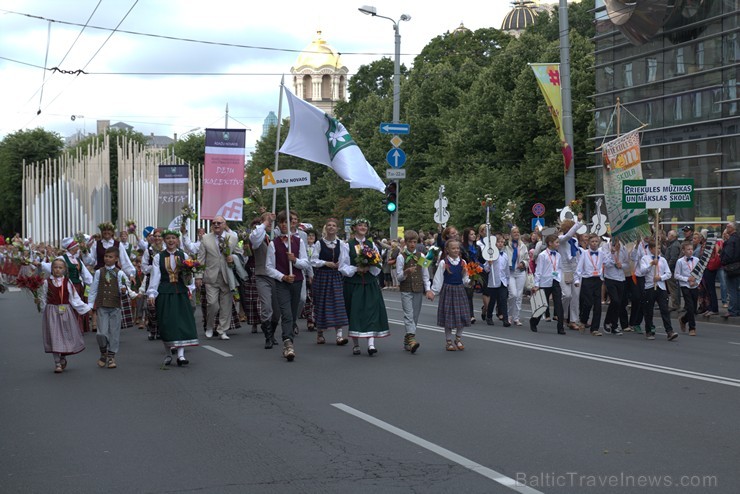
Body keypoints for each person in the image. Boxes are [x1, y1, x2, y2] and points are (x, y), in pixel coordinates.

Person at [147, 230, 199, 366]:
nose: (171, 241)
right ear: (164, 240)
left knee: (181, 321)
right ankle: (168, 353)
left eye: (173, 238)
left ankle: (181, 355)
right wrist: (152, 293)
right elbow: (156, 276)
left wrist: (190, 287)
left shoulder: (184, 255)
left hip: (180, 291)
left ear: (177, 240)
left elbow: (189, 276)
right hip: (165, 292)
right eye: (168, 238)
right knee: (166, 322)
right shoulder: (159, 257)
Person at [339, 218, 389, 356]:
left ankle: (371, 344)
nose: (362, 227)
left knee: (371, 311)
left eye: (365, 226)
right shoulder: (346, 245)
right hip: (354, 284)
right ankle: (355, 344)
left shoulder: (371, 244)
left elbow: (378, 263)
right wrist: (356, 269)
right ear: (354, 228)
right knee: (355, 312)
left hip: (369, 283)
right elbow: (342, 267)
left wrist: (370, 268)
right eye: (360, 225)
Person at [265, 211, 310, 361]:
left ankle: (289, 336)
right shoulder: (273, 243)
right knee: (286, 314)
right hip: (282, 284)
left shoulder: (299, 242)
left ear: (292, 224)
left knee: (293, 311)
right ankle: (288, 343)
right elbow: (269, 267)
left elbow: (305, 262)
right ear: (278, 224)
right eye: (282, 222)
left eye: (287, 222)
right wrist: (283, 276)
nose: (284, 225)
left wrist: (295, 260)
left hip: (297, 281)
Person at [40, 258, 91, 373]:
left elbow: (74, 298)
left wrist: (85, 308)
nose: (57, 270)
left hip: (65, 311)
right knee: (54, 336)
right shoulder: (46, 282)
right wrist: (42, 308)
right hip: (52, 312)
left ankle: (63, 356)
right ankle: (57, 362)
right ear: (51, 269)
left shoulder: (67, 282)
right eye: (55, 267)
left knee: (65, 335)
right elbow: (42, 297)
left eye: (60, 268)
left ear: (64, 270)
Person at [88, 248, 137, 368]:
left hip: (115, 306)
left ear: (116, 259)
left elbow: (124, 287)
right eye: (106, 256)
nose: (107, 259)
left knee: (114, 333)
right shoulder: (99, 272)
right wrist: (90, 305)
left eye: (110, 257)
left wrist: (125, 292)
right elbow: (93, 289)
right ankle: (103, 351)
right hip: (102, 306)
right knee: (101, 333)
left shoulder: (119, 273)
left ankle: (111, 356)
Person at [196, 215, 239, 340]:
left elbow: (240, 254)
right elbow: (201, 259)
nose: (216, 225)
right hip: (211, 276)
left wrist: (234, 258)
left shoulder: (233, 238)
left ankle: (222, 330)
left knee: (226, 305)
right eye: (214, 223)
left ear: (224, 225)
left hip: (227, 276)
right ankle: (209, 326)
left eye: (219, 223)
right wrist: (198, 276)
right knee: (212, 304)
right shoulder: (205, 238)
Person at [310, 218, 349, 346]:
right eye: (329, 225)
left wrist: (340, 266)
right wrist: (326, 263)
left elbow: (345, 260)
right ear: (326, 228)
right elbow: (313, 260)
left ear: (337, 229)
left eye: (334, 225)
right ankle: (320, 333)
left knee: (338, 303)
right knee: (321, 303)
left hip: (336, 276)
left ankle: (339, 335)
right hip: (322, 276)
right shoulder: (319, 243)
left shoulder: (341, 244)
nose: (331, 227)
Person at [429, 239, 471, 350]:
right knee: (449, 318)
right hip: (448, 290)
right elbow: (439, 278)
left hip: (460, 290)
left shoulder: (463, 262)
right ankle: (448, 341)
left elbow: (465, 277)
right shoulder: (444, 263)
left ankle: (458, 338)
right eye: (453, 248)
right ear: (447, 250)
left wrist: (469, 281)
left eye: (457, 248)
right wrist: (433, 291)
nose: (456, 250)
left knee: (462, 316)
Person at [396, 230, 433, 353]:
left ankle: (407, 340)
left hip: (418, 289)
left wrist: (428, 289)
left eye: (414, 242)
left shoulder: (421, 256)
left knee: (415, 316)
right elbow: (398, 277)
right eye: (410, 242)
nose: (412, 244)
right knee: (409, 314)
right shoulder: (401, 257)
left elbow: (425, 274)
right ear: (405, 243)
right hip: (406, 289)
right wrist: (406, 272)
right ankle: (412, 339)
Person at [637, 240, 678, 341]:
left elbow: (668, 273)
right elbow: (642, 271)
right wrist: (651, 264)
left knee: (664, 309)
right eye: (656, 248)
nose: (658, 250)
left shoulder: (663, 260)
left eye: (659, 248)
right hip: (650, 287)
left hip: (661, 287)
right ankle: (649, 330)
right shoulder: (645, 259)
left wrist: (660, 277)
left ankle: (669, 331)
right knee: (649, 310)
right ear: (651, 249)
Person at [531, 234, 566, 335]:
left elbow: (559, 268)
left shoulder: (558, 255)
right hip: (545, 282)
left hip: (555, 281)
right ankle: (534, 321)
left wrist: (558, 277)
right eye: (557, 242)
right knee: (542, 305)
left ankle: (560, 327)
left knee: (558, 304)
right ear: (550, 243)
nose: (558, 244)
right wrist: (537, 284)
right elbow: (538, 271)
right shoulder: (543, 255)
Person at [574, 234, 604, 336]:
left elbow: (606, 262)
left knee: (598, 305)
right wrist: (577, 280)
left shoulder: (601, 253)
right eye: (592, 241)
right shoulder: (585, 254)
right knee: (587, 303)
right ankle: (583, 320)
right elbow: (579, 268)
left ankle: (594, 328)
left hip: (597, 280)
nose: (594, 243)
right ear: (589, 243)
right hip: (587, 280)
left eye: (596, 241)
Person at [602, 237, 629, 335]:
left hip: (620, 278)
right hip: (610, 277)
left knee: (618, 303)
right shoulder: (605, 247)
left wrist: (621, 265)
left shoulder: (623, 249)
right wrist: (612, 253)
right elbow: (605, 263)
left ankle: (611, 324)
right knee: (615, 300)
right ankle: (613, 323)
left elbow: (627, 263)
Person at [482, 235, 510, 327]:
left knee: (503, 299)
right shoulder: (490, 254)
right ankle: (489, 316)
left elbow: (506, 270)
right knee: (492, 300)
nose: (501, 244)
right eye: (499, 242)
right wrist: (489, 264)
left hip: (503, 281)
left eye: (502, 242)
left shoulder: (505, 255)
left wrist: (507, 281)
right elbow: (486, 269)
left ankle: (505, 319)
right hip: (493, 281)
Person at [674, 241, 700, 336]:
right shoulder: (680, 261)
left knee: (694, 308)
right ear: (683, 251)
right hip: (685, 286)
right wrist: (687, 279)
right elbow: (676, 275)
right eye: (688, 249)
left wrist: (696, 282)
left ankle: (683, 319)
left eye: (691, 249)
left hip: (694, 285)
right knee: (690, 306)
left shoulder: (696, 260)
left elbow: (700, 273)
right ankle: (692, 328)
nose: (690, 251)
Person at [505, 226, 529, 326]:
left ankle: (516, 317)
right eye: (514, 232)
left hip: (520, 272)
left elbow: (527, 259)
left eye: (518, 232)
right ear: (511, 234)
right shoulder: (507, 245)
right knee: (513, 294)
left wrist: (523, 263)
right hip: (510, 272)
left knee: (519, 295)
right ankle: (509, 315)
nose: (516, 234)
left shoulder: (523, 246)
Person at [720, 221, 740, 318]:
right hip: (737, 267)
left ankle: (732, 310)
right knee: (737, 289)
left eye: (728, 226)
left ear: (733, 228)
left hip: (731, 268)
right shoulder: (737, 238)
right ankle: (737, 310)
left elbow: (727, 255)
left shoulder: (731, 240)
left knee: (732, 290)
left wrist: (723, 261)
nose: (726, 227)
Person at [664, 230, 682, 311]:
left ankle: (675, 304)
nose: (668, 236)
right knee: (673, 287)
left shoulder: (674, 246)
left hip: (671, 270)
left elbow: (673, 258)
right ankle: (675, 304)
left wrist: (667, 268)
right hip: (671, 269)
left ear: (673, 236)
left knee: (673, 288)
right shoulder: (672, 244)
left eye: (669, 235)